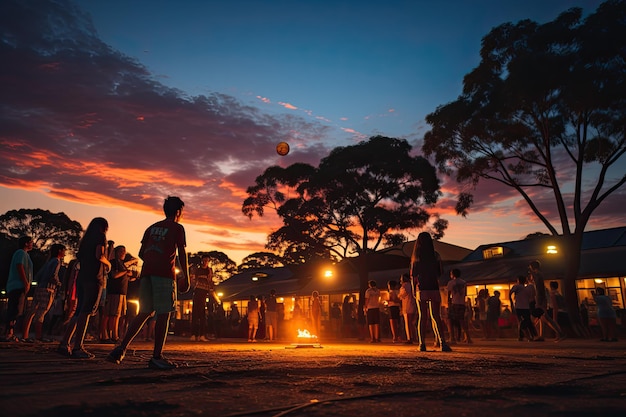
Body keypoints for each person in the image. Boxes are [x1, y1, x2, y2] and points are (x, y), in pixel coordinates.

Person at [106, 196, 190, 369]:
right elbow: (182, 252)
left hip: (147, 273)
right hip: (164, 274)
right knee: (165, 313)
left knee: (144, 312)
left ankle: (120, 348)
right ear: (178, 212)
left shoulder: (151, 228)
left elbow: (142, 252)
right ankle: (157, 356)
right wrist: (185, 276)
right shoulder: (177, 228)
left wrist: (153, 259)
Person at [57, 218, 111, 359]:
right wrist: (108, 263)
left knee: (79, 311)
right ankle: (78, 347)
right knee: (86, 312)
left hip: (82, 278)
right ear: (103, 227)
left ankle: (64, 343)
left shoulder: (85, 241)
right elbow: (99, 255)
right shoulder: (100, 237)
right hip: (94, 278)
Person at [410, 232, 451, 352]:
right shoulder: (435, 255)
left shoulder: (416, 257)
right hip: (433, 286)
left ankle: (422, 344)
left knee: (422, 317)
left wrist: (414, 289)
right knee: (436, 316)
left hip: (421, 288)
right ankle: (442, 342)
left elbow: (413, 275)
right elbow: (440, 272)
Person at [22, 243, 66, 342]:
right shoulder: (56, 261)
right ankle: (38, 336)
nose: (65, 253)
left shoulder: (48, 261)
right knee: (42, 312)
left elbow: (38, 275)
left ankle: (25, 335)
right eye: (64, 250)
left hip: (39, 288)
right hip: (48, 289)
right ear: (59, 251)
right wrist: (59, 284)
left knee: (32, 311)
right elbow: (53, 276)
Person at [2, 236, 34, 342]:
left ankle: (10, 332)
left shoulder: (25, 254)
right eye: (30, 242)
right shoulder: (21, 253)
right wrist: (25, 282)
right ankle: (8, 333)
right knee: (15, 309)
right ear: (26, 243)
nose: (32, 244)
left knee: (17, 309)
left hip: (19, 285)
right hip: (17, 285)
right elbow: (19, 266)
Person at [102, 245, 137, 343]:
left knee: (118, 315)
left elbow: (127, 275)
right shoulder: (114, 263)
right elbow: (114, 275)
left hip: (122, 292)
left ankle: (115, 335)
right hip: (114, 292)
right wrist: (125, 271)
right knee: (111, 315)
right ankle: (108, 335)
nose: (123, 253)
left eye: (124, 251)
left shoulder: (122, 264)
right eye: (121, 251)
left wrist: (131, 274)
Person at [528, 260, 566, 342]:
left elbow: (539, 288)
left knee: (546, 318)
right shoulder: (538, 274)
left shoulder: (538, 274)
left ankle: (560, 333)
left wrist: (539, 300)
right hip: (540, 298)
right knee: (543, 317)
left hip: (540, 298)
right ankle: (542, 335)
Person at [190, 255, 217, 342]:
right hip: (197, 291)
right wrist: (194, 285)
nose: (205, 262)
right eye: (204, 260)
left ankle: (202, 335)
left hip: (205, 292)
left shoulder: (209, 270)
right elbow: (193, 279)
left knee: (202, 314)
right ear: (202, 261)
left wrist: (211, 291)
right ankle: (194, 334)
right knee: (195, 313)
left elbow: (210, 281)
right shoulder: (197, 270)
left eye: (207, 260)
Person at [446, 268, 472, 344]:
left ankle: (452, 337)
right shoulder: (464, 282)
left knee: (450, 320)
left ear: (453, 274)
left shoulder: (451, 282)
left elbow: (449, 295)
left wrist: (449, 303)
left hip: (454, 303)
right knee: (462, 320)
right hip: (462, 303)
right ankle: (468, 337)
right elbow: (465, 294)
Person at [509, 275, 538, 341]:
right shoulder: (528, 288)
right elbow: (532, 296)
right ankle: (528, 336)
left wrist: (511, 302)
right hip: (526, 307)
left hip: (519, 307)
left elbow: (510, 293)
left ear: (518, 280)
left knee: (522, 322)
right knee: (526, 321)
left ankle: (524, 336)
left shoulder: (517, 287)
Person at [398, 273, 417, 344]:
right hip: (413, 305)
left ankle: (410, 338)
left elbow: (401, 296)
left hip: (407, 306)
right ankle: (414, 337)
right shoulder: (412, 285)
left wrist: (398, 296)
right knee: (412, 323)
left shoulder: (404, 286)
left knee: (408, 323)